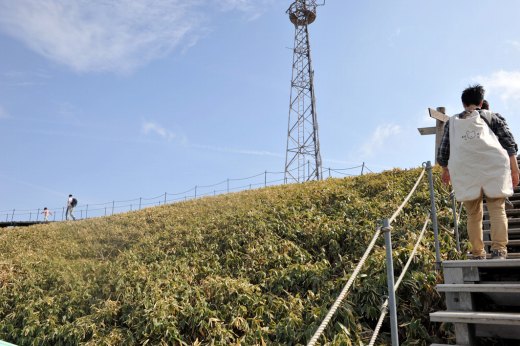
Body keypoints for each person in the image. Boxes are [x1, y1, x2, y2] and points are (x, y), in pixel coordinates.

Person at [437, 84, 519, 260]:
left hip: (465, 171)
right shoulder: (492, 116)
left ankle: (477, 252)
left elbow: (443, 152)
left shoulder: (452, 122)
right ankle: (499, 250)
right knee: (497, 209)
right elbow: (508, 142)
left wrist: (446, 169)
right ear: (481, 101)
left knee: (473, 214)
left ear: (463, 103)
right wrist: (514, 168)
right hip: (493, 167)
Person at [482, 99, 515, 210]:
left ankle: (484, 193)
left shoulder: (468, 119)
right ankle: (503, 196)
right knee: (501, 172)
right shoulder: (495, 116)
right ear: (488, 107)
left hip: (478, 156)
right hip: (497, 153)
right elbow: (507, 134)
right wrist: (513, 149)